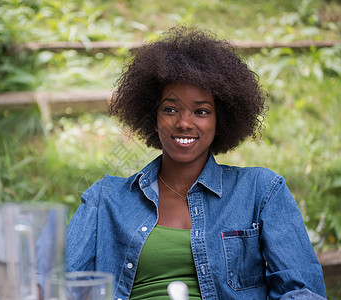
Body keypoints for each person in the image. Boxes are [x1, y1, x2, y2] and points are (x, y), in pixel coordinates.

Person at [64, 26, 327, 299]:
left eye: (201, 111)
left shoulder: (261, 192)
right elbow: (55, 284)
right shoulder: (105, 199)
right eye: (170, 109)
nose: (184, 123)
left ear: (220, 120)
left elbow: (303, 291)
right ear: (153, 117)